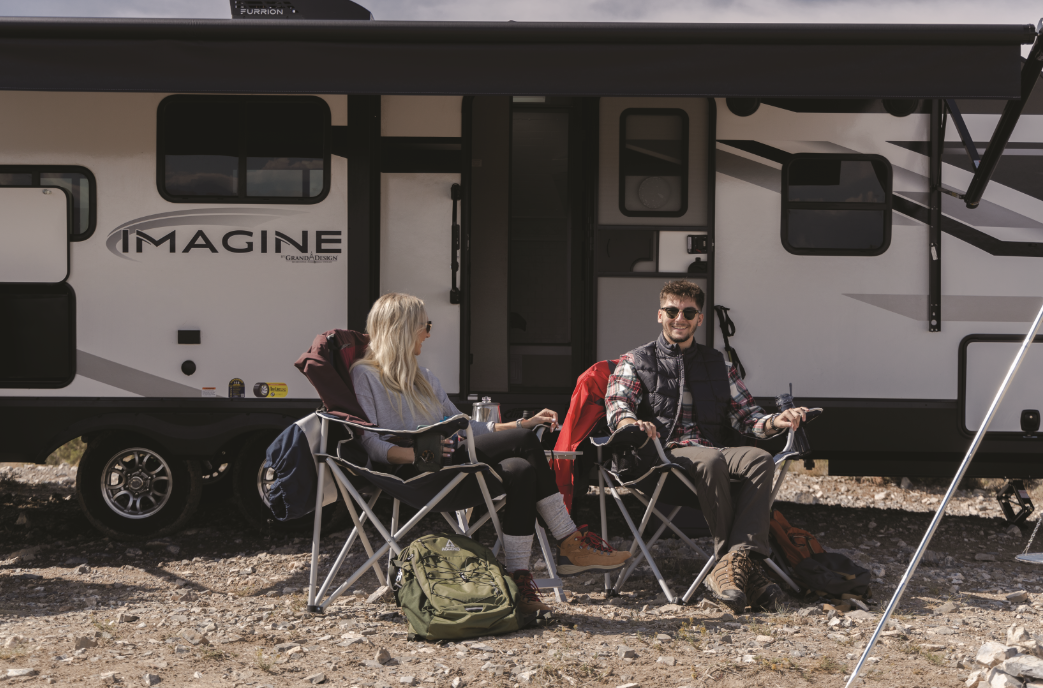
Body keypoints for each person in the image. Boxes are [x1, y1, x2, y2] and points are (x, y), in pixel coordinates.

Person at [351, 292, 631, 616]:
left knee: (520, 469)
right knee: (525, 442)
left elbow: (464, 426)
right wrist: (416, 455)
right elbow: (371, 444)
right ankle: (569, 541)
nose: (428, 334)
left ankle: (520, 582)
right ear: (401, 329)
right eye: (424, 325)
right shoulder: (365, 376)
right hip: (418, 473)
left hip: (454, 464)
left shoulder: (425, 379)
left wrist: (519, 423)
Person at [605, 280, 810, 614]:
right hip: (663, 455)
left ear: (699, 319)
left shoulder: (719, 365)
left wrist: (778, 420)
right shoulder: (636, 360)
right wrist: (631, 424)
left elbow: (749, 419)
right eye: (672, 311)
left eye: (688, 312)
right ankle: (743, 572)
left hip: (712, 450)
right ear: (660, 315)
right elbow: (618, 404)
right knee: (712, 459)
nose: (679, 318)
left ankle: (733, 565)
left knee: (759, 459)